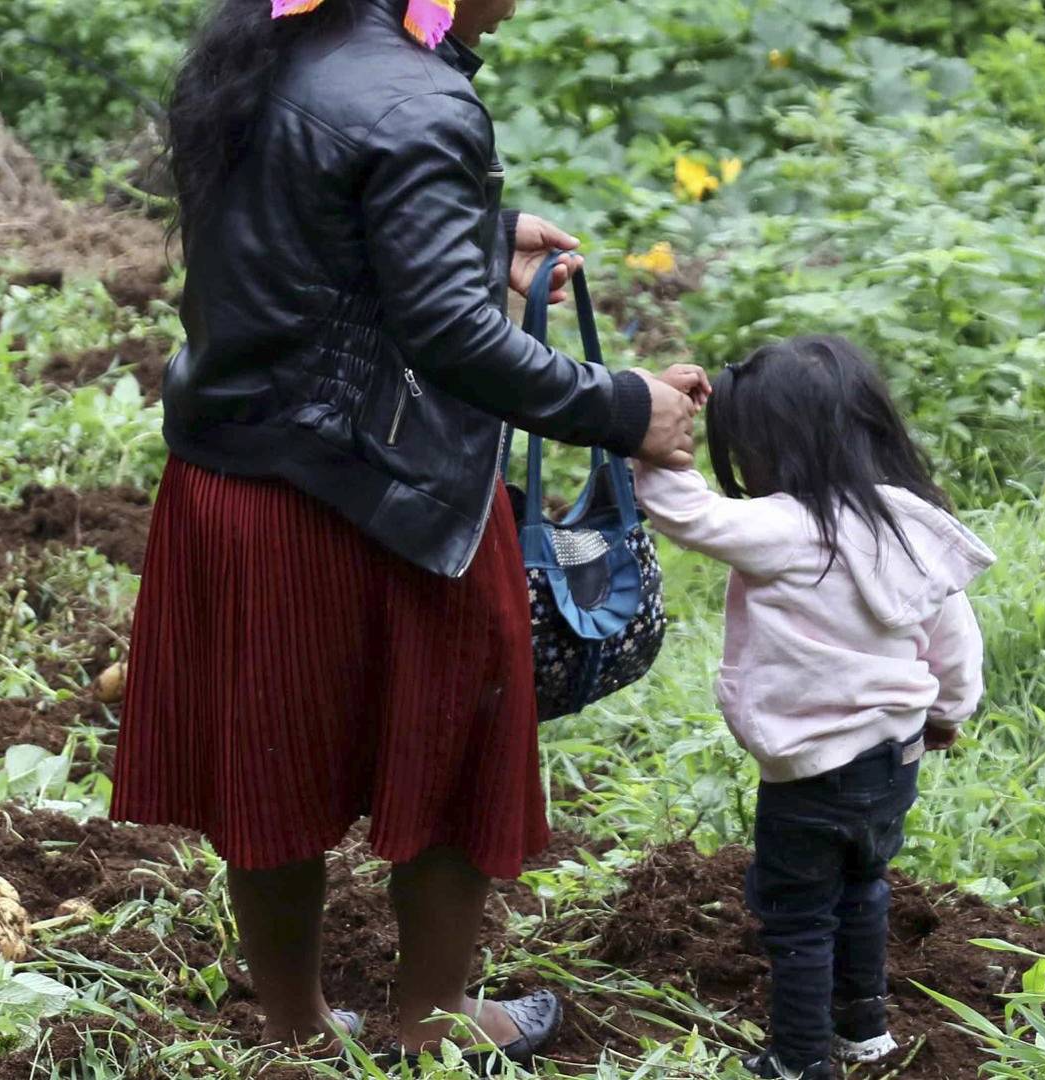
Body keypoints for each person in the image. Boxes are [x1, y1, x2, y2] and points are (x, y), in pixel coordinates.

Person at [109, 0, 705, 1067]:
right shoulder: (421, 98)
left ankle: (294, 1026)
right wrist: (626, 406)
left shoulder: (265, 44)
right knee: (460, 730)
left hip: (236, 477)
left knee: (270, 750)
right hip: (382, 490)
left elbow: (300, 233)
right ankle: (433, 1020)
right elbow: (451, 333)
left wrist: (475, 237)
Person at [632, 336, 993, 1080]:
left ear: (769, 446)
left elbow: (685, 512)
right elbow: (955, 640)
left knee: (797, 916)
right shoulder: (910, 522)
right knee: (864, 889)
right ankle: (865, 1033)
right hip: (894, 759)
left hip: (811, 773)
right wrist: (949, 714)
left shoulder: (787, 527)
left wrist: (649, 423)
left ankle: (799, 1060)